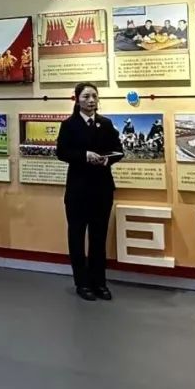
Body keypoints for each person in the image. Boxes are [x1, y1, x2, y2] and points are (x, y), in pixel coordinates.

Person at [55, 82, 123, 302]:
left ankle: (99, 283)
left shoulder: (106, 123)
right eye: (86, 97)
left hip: (102, 189)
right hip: (78, 190)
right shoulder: (69, 125)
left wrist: (107, 159)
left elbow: (118, 151)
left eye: (94, 96)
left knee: (98, 237)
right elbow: (62, 152)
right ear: (77, 99)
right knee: (76, 237)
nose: (91, 100)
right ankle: (82, 283)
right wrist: (85, 155)